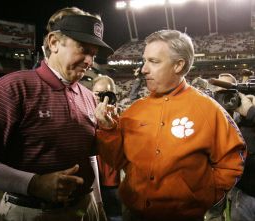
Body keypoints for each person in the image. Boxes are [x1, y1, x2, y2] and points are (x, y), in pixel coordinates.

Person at [0, 7, 113, 221]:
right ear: (53, 43)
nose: (89, 60)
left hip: (85, 207)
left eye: (94, 54)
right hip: (32, 211)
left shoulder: (88, 95)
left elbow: (89, 157)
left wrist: (97, 203)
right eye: (83, 48)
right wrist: (33, 183)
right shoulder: (12, 88)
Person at [95, 30, 246, 221]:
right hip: (133, 214)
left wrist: (204, 195)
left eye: (154, 61)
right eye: (145, 60)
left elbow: (233, 160)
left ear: (178, 65)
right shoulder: (135, 110)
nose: (143, 69)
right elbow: (116, 161)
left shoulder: (208, 110)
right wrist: (109, 130)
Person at [212, 73, 255, 221]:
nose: (224, 99)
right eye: (219, 93)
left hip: (243, 189)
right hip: (228, 188)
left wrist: (250, 113)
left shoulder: (246, 115)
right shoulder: (208, 116)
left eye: (228, 94)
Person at [92, 76, 122, 221]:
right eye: (98, 94)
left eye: (107, 94)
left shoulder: (121, 119)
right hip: (91, 182)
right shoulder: (84, 117)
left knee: (114, 216)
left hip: (112, 184)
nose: (102, 99)